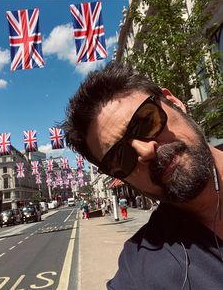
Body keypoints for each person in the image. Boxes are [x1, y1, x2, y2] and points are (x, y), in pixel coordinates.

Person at [62, 61, 223, 289]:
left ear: (175, 103)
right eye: (120, 157)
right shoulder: (142, 268)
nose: (146, 151)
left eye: (146, 122)